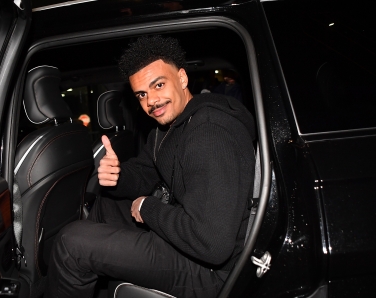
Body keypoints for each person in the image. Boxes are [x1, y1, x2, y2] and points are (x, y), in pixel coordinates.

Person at [46, 35, 256, 297]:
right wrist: (118, 175)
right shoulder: (166, 129)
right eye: (142, 94)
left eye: (159, 85)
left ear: (181, 78)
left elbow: (212, 243)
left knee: (72, 243)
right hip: (187, 234)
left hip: (209, 272)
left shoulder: (209, 132)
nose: (151, 101)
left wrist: (148, 208)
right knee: (98, 207)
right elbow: (147, 172)